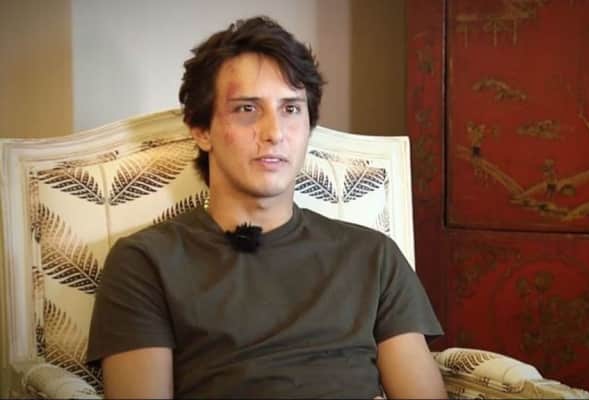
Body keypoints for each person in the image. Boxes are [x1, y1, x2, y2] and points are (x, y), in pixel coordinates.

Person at [87, 16, 446, 399]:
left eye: (291, 109)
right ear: (201, 130)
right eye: (246, 109)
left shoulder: (373, 257)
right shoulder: (145, 263)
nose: (274, 132)